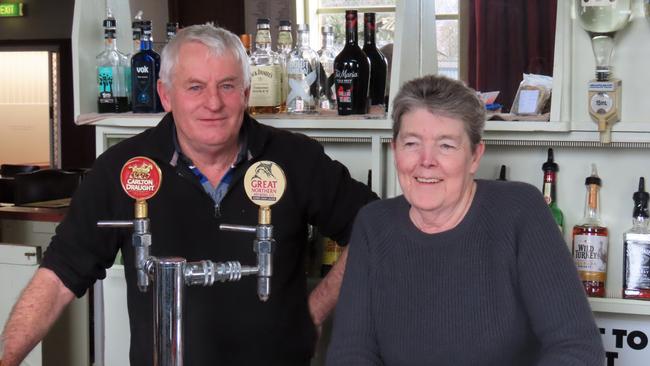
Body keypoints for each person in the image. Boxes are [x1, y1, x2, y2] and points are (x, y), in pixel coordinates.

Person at [0, 24, 377, 366]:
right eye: (195, 87)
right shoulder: (123, 169)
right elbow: (58, 276)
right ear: (165, 95)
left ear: (246, 93)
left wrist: (313, 310)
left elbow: (373, 229)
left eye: (227, 86)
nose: (213, 103)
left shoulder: (295, 158)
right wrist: (8, 357)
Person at [325, 75, 605, 365]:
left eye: (446, 145)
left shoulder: (520, 211)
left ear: (474, 156)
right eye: (411, 143)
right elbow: (351, 352)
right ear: (395, 151)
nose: (426, 160)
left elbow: (577, 347)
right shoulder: (374, 225)